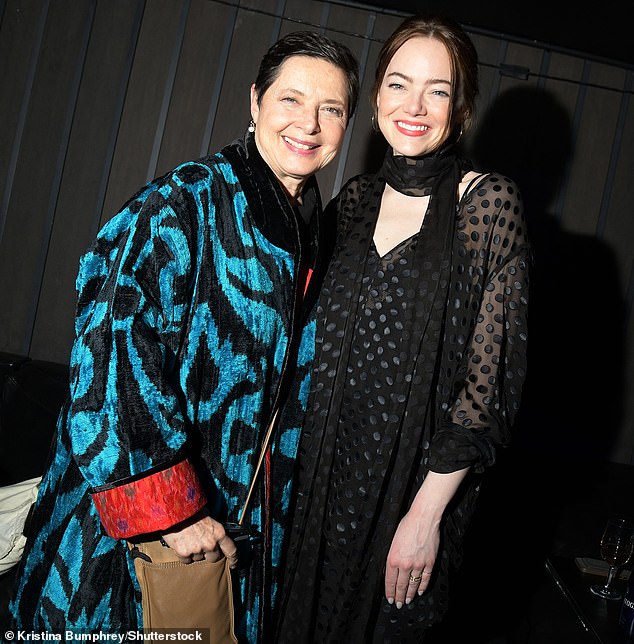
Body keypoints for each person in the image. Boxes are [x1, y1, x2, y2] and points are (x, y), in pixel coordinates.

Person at [5, 31, 359, 643]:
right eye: (291, 100)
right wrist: (172, 509)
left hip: (236, 536)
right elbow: (109, 350)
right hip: (142, 546)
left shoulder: (309, 229)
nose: (310, 123)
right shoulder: (184, 203)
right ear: (254, 103)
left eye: (331, 109)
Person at [275, 14, 530, 643]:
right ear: (375, 100)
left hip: (411, 497)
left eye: (437, 91)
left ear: (462, 108)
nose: (414, 106)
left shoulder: (488, 205)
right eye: (398, 84)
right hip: (315, 483)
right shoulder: (352, 202)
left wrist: (425, 517)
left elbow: (486, 387)